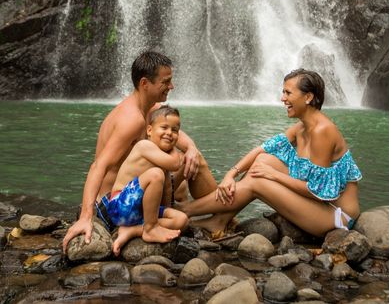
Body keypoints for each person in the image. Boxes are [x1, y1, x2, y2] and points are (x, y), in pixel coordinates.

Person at [62, 51, 217, 253]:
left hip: (136, 193)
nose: (172, 86)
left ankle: (219, 217)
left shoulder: (151, 108)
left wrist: (192, 149)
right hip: (116, 205)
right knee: (178, 173)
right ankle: (220, 216)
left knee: (192, 163)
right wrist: (85, 216)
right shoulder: (132, 120)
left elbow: (180, 136)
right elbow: (99, 165)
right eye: (166, 81)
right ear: (145, 84)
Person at [179, 69, 362, 237]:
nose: (283, 98)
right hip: (320, 205)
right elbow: (263, 149)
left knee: (258, 180)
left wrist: (273, 175)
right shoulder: (302, 127)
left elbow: (317, 192)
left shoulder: (322, 131)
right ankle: (219, 221)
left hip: (336, 216)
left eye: (288, 93)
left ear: (308, 97)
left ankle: (185, 210)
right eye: (283, 92)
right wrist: (230, 174)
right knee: (263, 160)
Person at [98, 105, 188, 256]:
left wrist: (167, 212)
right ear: (149, 131)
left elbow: (166, 192)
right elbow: (175, 163)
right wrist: (174, 150)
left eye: (174, 130)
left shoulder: (160, 158)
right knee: (155, 174)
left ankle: (133, 230)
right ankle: (150, 228)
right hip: (119, 206)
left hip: (140, 212)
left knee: (182, 220)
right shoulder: (144, 146)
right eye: (164, 127)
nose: (169, 133)